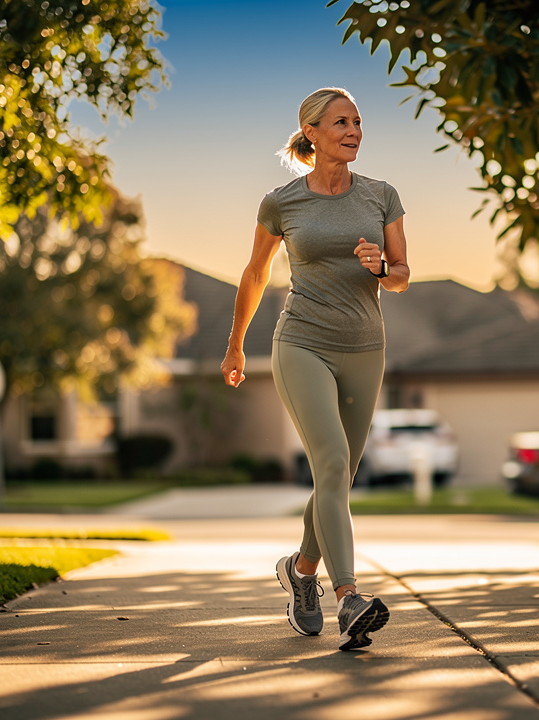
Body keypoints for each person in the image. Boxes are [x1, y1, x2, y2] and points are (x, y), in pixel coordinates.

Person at [220, 87, 409, 650]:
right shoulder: (282, 202)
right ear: (312, 132)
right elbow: (256, 273)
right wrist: (235, 344)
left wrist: (382, 268)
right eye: (341, 122)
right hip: (301, 342)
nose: (353, 131)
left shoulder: (381, 195)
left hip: (365, 347)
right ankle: (348, 596)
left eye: (358, 122)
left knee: (339, 476)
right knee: (331, 462)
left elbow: (403, 275)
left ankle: (301, 572)